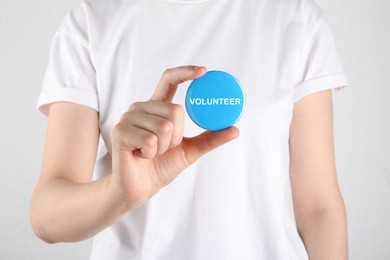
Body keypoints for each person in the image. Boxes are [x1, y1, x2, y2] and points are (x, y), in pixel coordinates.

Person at [30, 0, 348, 259]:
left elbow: (319, 208)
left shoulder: (296, 20)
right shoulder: (90, 23)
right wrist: (121, 193)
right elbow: (47, 217)